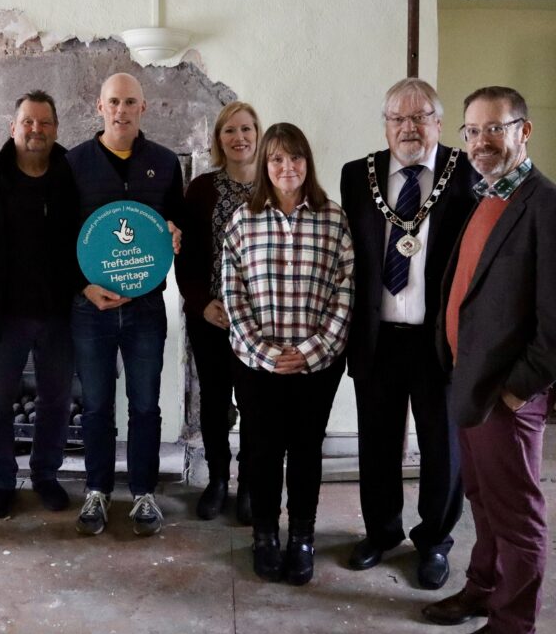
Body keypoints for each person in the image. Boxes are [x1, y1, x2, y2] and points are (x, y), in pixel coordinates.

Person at [422, 86, 556, 634]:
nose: (481, 141)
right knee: (482, 498)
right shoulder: (489, 196)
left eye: (494, 129)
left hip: (504, 395)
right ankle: (482, 589)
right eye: (472, 130)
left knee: (517, 515)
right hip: (470, 385)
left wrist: (516, 391)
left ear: (523, 131)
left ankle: (512, 623)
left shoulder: (545, 205)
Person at [340, 78, 477, 590]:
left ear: (440, 124)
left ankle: (436, 541)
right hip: (378, 337)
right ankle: (380, 532)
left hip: (438, 339)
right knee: (376, 441)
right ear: (385, 124)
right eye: (398, 118)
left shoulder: (465, 174)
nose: (409, 127)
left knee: (442, 445)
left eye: (420, 117)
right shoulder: (359, 174)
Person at [223, 122, 354, 585]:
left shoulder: (333, 218)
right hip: (258, 365)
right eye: (276, 158)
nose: (286, 167)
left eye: (295, 157)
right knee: (261, 451)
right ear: (265, 165)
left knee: (304, 451)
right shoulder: (243, 220)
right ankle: (264, 535)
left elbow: (345, 290)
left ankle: (301, 536)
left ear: (307, 163)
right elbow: (232, 294)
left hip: (315, 365)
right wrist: (265, 353)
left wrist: (311, 351)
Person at [0, 90, 79, 518]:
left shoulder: (71, 176)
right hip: (2, 313)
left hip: (61, 312)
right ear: (13, 127)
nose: (36, 130)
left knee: (57, 402)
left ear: (56, 129)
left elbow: (91, 241)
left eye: (44, 123)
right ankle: (2, 479)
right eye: (28, 121)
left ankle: (45, 475)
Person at [67, 72, 184, 537]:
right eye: (113, 102)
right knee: (95, 405)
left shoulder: (165, 163)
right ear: (99, 106)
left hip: (145, 307)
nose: (121, 110)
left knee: (145, 405)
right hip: (89, 307)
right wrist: (81, 286)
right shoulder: (73, 163)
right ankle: (96, 491)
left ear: (144, 108)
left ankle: (143, 494)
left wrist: (176, 235)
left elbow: (176, 224)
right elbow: (58, 237)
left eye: (130, 102)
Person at [175, 102, 261, 524]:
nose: (239, 138)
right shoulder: (202, 189)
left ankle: (249, 486)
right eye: (230, 130)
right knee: (213, 402)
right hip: (210, 316)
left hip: (262, 323)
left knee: (256, 404)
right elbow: (185, 258)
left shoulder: (275, 186)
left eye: (246, 129)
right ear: (218, 138)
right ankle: (218, 481)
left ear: (258, 135)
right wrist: (200, 303)